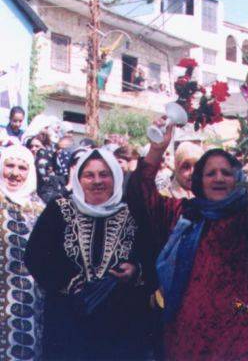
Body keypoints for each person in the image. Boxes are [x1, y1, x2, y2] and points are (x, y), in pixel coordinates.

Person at [126, 116, 248, 360]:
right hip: (189, 335)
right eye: (210, 173)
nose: (218, 178)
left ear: (237, 179)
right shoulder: (183, 215)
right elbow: (140, 196)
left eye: (226, 173)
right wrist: (157, 149)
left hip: (242, 326)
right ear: (199, 181)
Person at [25, 148, 152, 360]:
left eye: (104, 174)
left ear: (116, 177)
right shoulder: (59, 209)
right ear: (78, 179)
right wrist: (69, 282)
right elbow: (35, 256)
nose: (97, 181)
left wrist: (135, 270)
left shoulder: (134, 212)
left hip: (121, 323)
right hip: (68, 319)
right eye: (89, 175)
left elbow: (152, 255)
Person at [0, 145, 45, 360]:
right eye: (9, 165)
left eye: (22, 168)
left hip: (30, 304)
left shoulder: (40, 208)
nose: (15, 173)